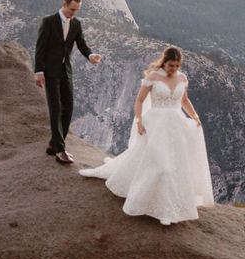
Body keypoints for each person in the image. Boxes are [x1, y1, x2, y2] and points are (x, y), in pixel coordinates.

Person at [79, 46, 214, 225]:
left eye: (176, 66)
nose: (173, 69)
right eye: (171, 65)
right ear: (164, 62)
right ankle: (154, 206)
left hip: (176, 126)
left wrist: (194, 115)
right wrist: (139, 121)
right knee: (162, 166)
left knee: (175, 165)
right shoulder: (153, 77)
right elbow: (140, 100)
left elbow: (184, 100)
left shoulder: (182, 78)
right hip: (156, 124)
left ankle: (167, 211)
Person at [34, 0, 102, 164]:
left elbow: (81, 44)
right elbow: (40, 48)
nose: (73, 13)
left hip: (66, 71)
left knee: (69, 106)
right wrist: (39, 71)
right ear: (64, 4)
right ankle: (60, 149)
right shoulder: (49, 22)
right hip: (50, 72)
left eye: (77, 10)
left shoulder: (76, 24)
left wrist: (91, 55)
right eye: (72, 9)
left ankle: (53, 144)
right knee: (55, 107)